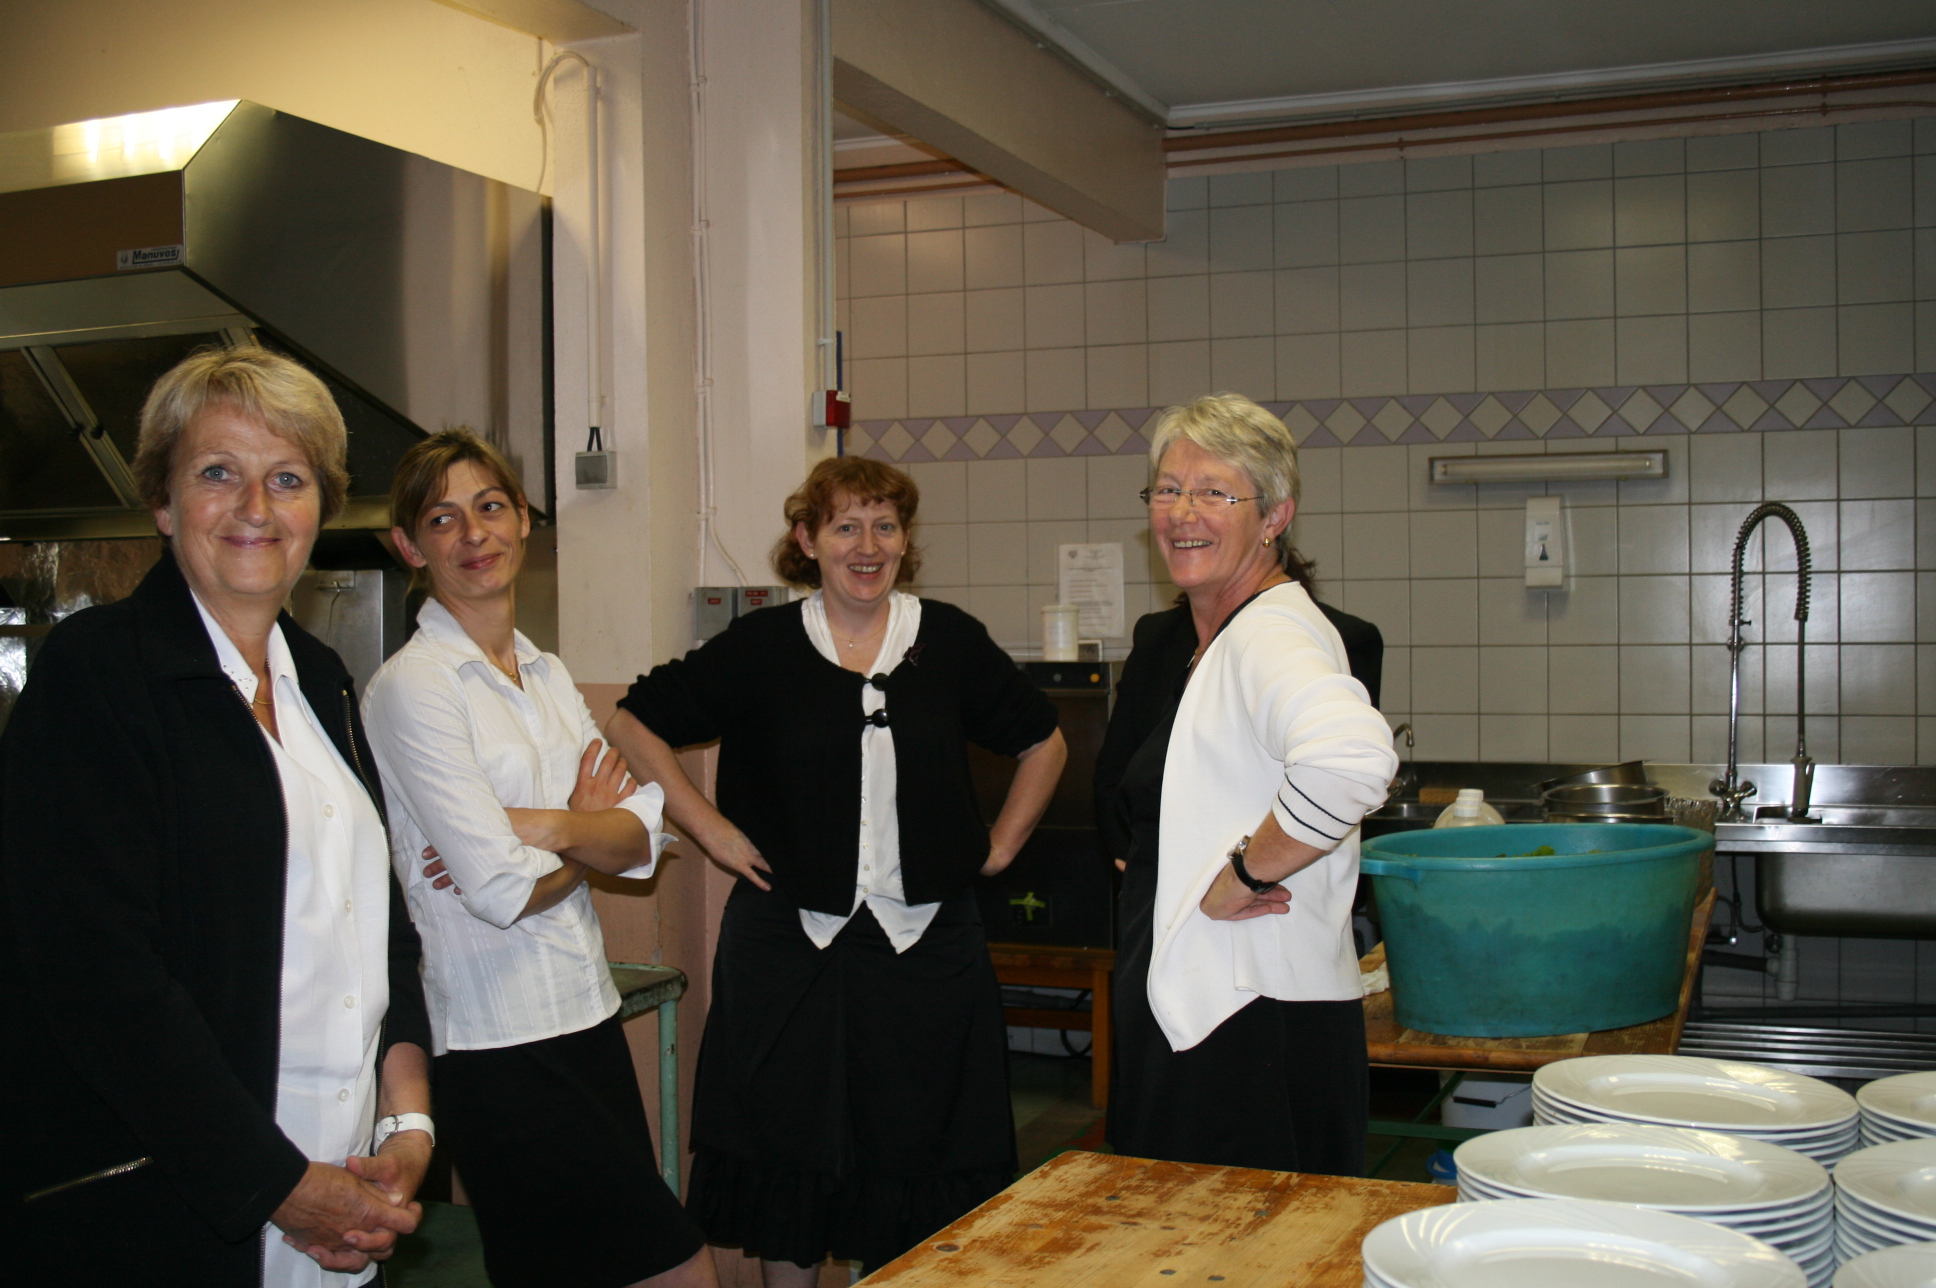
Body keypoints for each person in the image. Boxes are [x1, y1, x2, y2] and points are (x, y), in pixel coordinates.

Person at [1, 345, 435, 1286]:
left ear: (320, 507)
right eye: (216, 473)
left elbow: (384, 931)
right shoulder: (98, 674)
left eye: (288, 478)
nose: (255, 508)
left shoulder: (321, 678)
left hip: (344, 1183)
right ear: (163, 503)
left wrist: (407, 1124)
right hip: (174, 1207)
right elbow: (97, 977)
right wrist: (281, 1187)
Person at [606, 456, 1067, 1283]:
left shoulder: (949, 640)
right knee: (786, 1149)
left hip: (927, 945)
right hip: (788, 945)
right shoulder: (762, 646)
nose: (867, 546)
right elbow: (634, 721)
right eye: (846, 526)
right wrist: (710, 830)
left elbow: (1044, 739)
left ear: (906, 541)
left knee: (920, 1146)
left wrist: (999, 845)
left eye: (885, 527)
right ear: (807, 539)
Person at [359, 430, 714, 1288]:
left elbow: (644, 829)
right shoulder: (413, 685)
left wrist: (547, 826)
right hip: (493, 1040)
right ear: (410, 545)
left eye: (490, 507)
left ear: (523, 518)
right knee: (675, 1268)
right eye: (442, 519)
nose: (473, 533)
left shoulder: (547, 673)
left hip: (581, 1010)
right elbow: (497, 891)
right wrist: (587, 838)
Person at [1094, 392, 1398, 1176]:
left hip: (1250, 1030)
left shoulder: (1271, 633)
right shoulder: (1214, 640)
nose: (1182, 513)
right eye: (1168, 489)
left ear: (1275, 517)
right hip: (1209, 1015)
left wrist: (1244, 874)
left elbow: (1352, 762)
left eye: (1214, 493)